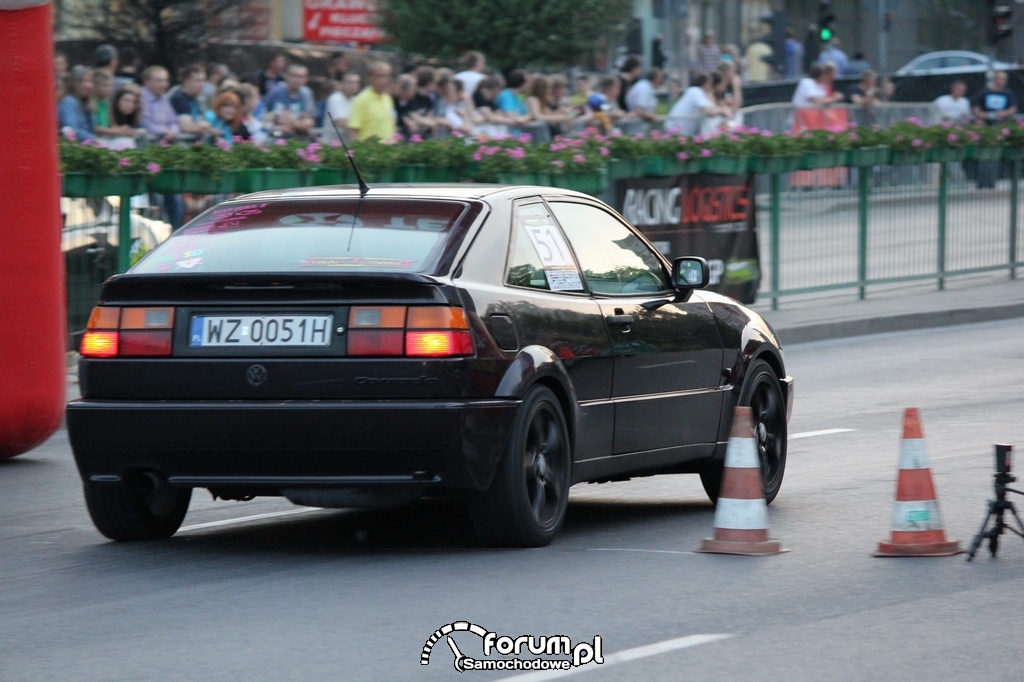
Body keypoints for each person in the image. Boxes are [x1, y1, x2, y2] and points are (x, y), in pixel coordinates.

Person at [971, 71, 1017, 188]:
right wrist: (983, 115)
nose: (1000, 81)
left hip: (999, 128)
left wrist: (1002, 113)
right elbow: (976, 108)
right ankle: (981, 182)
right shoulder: (984, 92)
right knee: (983, 155)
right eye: (999, 78)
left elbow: (1013, 109)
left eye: (1003, 79)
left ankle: (991, 182)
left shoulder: (1008, 94)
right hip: (985, 128)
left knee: (994, 156)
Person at [262, 63, 316, 139]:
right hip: (276, 136)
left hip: (299, 136)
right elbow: (262, 116)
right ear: (286, 76)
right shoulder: (275, 92)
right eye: (295, 76)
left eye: (302, 77)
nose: (298, 80)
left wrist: (293, 123)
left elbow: (310, 121)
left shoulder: (306, 94)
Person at [666, 72, 730, 136]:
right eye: (710, 83)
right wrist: (722, 110)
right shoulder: (695, 91)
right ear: (704, 83)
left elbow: (712, 107)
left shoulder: (699, 93)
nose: (711, 86)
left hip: (683, 133)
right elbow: (709, 111)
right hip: (675, 131)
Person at [347, 60, 397, 142]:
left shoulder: (387, 98)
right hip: (370, 152)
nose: (384, 80)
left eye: (387, 76)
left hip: (389, 152)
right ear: (370, 78)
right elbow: (353, 130)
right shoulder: (361, 99)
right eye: (380, 76)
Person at [171, 63, 214, 139]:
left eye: (203, 80)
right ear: (186, 81)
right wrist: (205, 127)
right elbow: (186, 127)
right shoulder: (179, 99)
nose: (202, 84)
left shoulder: (198, 99)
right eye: (198, 81)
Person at [140, 65, 179, 142]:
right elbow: (144, 123)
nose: (164, 85)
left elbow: (173, 121)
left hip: (166, 141)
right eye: (159, 81)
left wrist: (173, 131)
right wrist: (164, 131)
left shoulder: (165, 98)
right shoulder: (140, 97)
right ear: (147, 82)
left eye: (166, 80)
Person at [100, 84, 146, 149]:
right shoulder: (109, 112)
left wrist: (132, 131)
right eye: (126, 101)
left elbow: (143, 129)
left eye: (133, 102)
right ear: (117, 101)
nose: (130, 104)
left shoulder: (135, 116)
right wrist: (118, 131)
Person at [58, 65, 95, 141]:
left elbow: (91, 129)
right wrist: (94, 139)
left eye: (92, 82)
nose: (90, 85)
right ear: (75, 83)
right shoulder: (69, 102)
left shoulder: (84, 103)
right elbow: (71, 129)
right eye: (86, 81)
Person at [322, 72, 361, 140]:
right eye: (350, 82)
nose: (353, 85)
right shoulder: (335, 98)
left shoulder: (356, 100)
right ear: (341, 84)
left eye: (356, 83)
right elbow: (340, 122)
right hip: (332, 144)